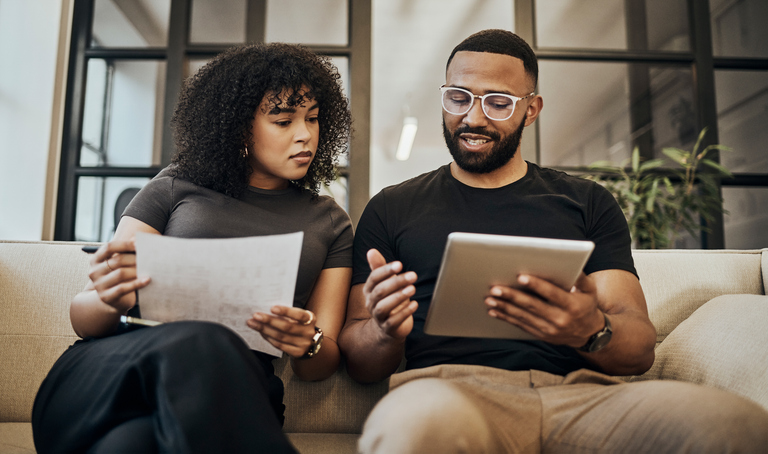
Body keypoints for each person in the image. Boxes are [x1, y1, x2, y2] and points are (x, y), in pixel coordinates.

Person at [338, 29, 768, 453]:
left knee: (731, 424)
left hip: (581, 396)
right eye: (458, 97)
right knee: (414, 428)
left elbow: (638, 351)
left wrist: (590, 330)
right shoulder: (391, 208)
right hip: (449, 393)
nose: (472, 117)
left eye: (498, 102)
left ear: (531, 110)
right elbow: (360, 363)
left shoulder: (587, 201)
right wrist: (383, 329)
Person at [32, 42, 353, 454]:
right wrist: (112, 299)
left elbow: (320, 365)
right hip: (116, 373)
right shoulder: (175, 184)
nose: (305, 134)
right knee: (202, 340)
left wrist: (308, 341)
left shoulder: (329, 221)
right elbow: (85, 317)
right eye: (283, 120)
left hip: (233, 392)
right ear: (239, 127)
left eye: (312, 118)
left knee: (129, 445)